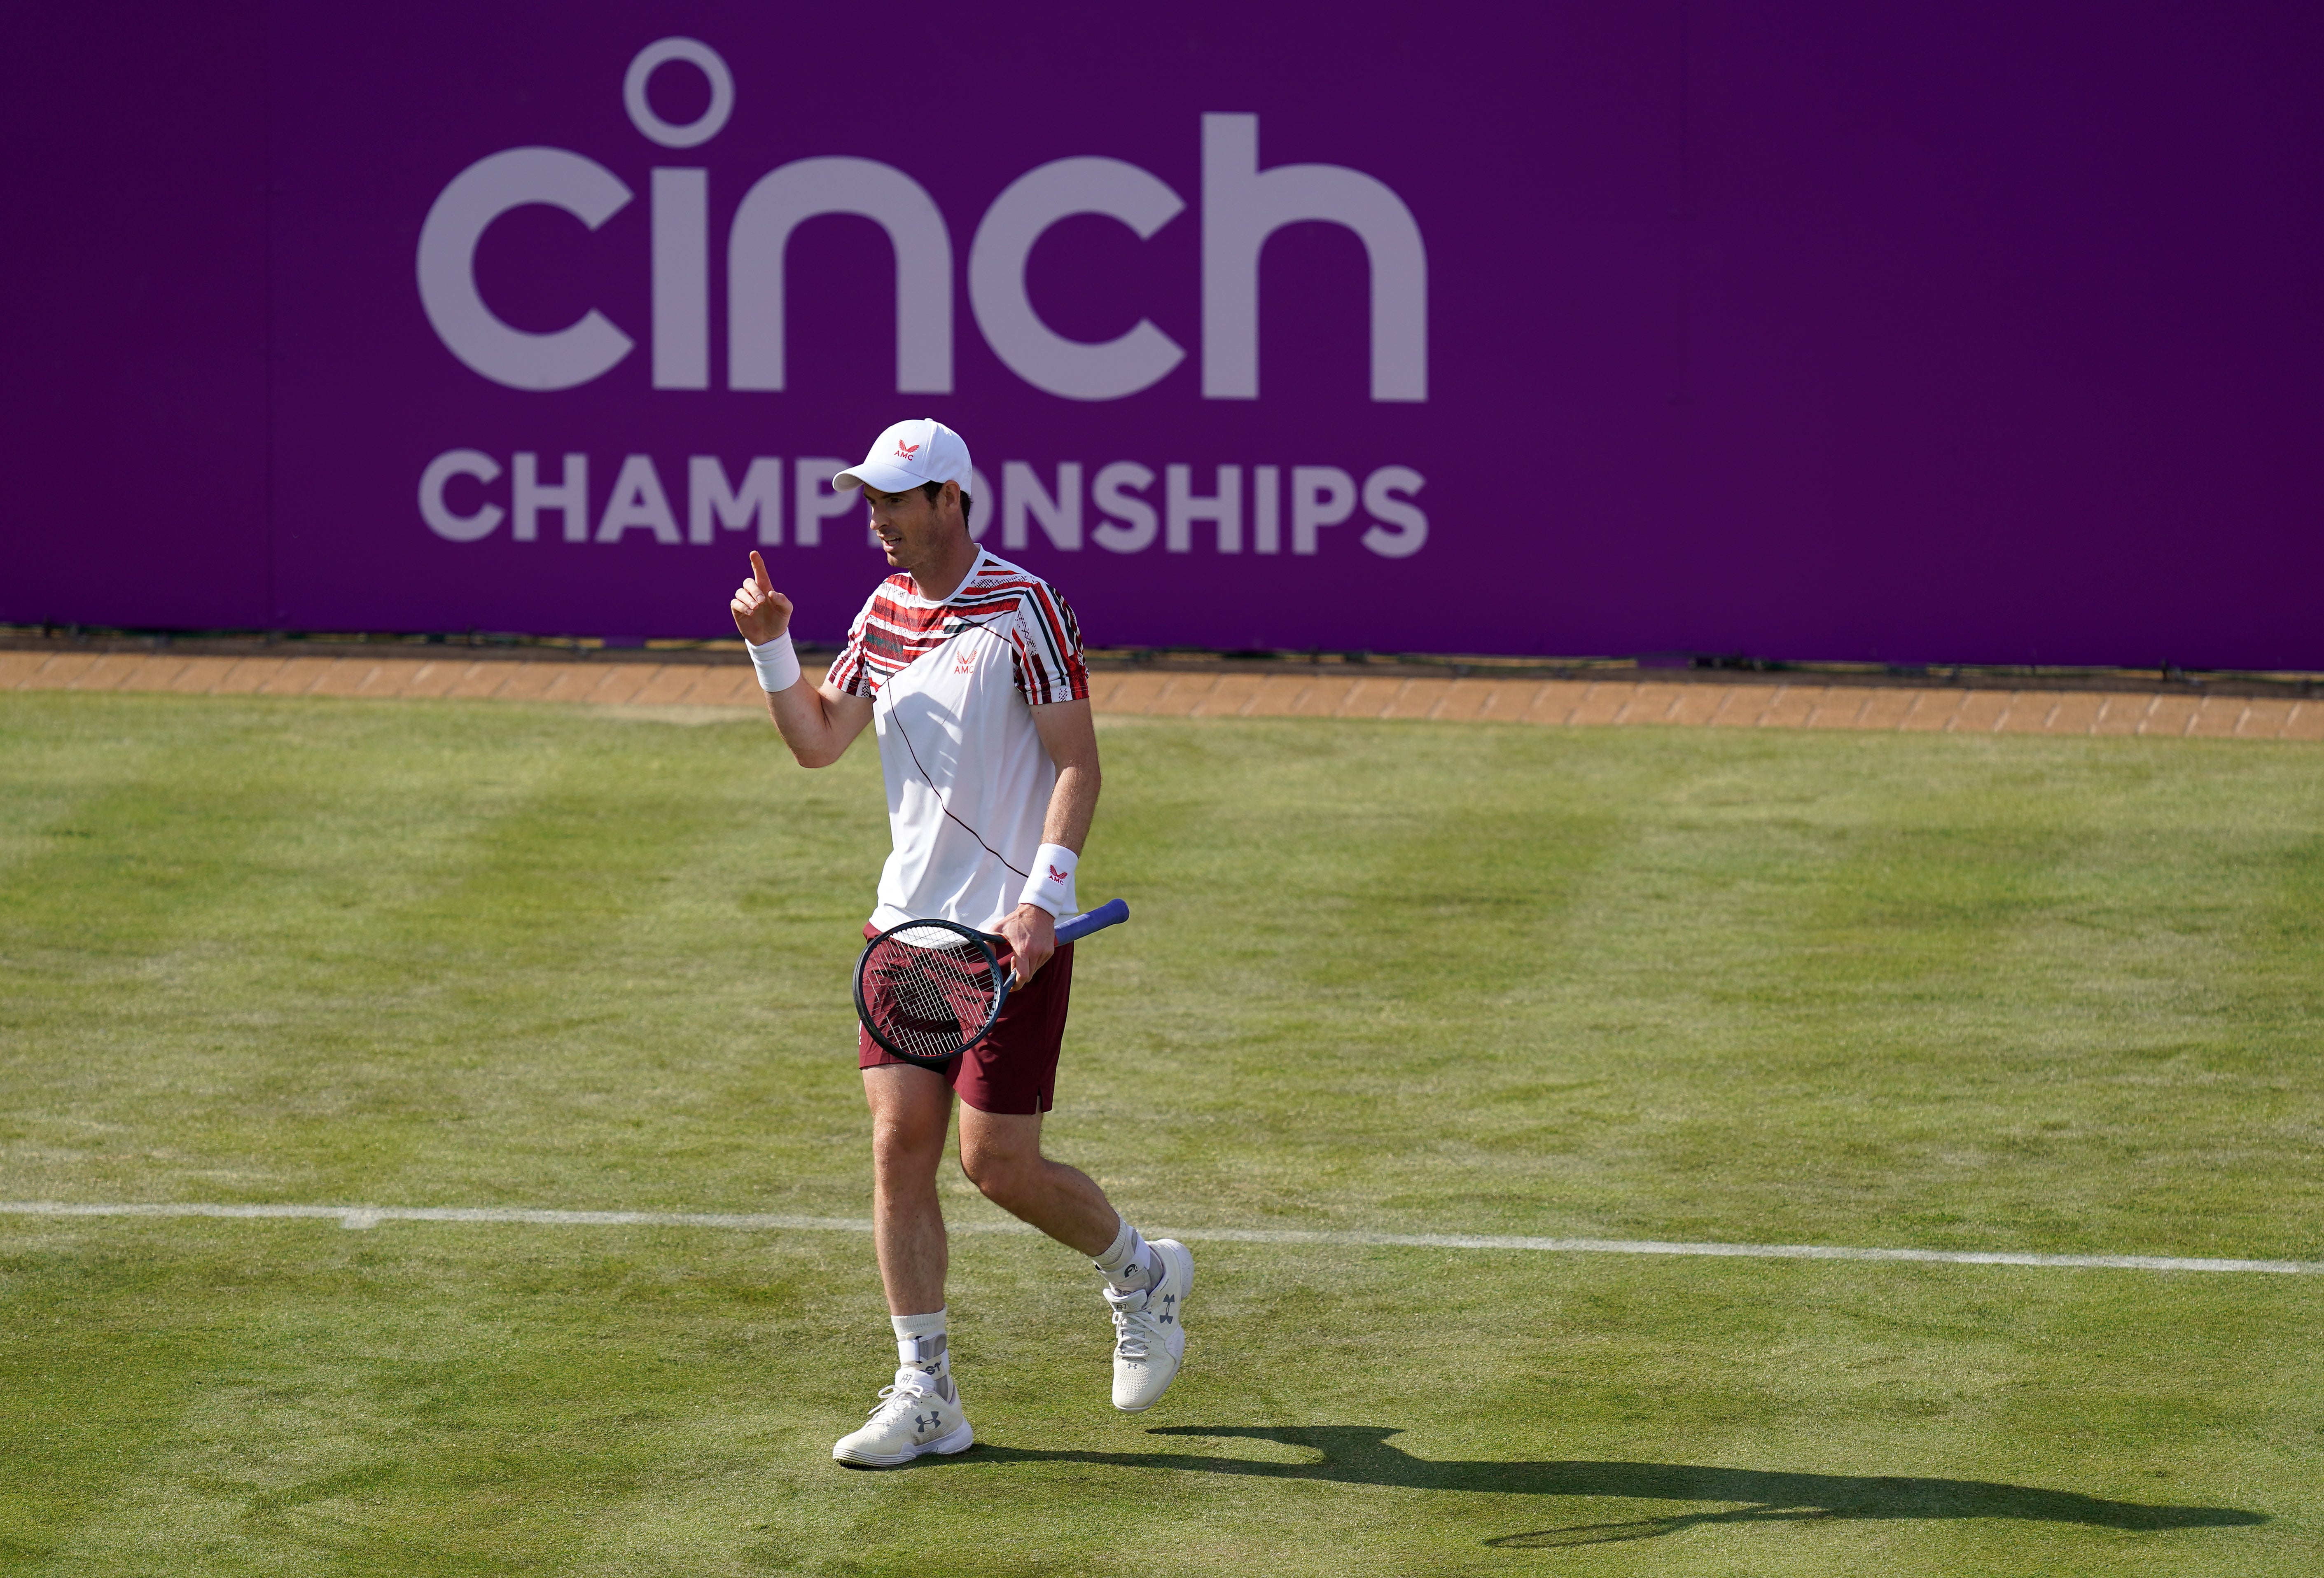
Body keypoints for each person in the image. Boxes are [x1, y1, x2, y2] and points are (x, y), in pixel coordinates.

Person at [727, 418, 1192, 1468]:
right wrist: (769, 643)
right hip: (904, 930)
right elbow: (815, 743)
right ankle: (926, 1392)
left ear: (949, 500)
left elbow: (1077, 764)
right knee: (898, 1152)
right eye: (870, 502)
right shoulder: (881, 613)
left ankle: (1139, 1273)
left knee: (997, 1164)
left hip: (1005, 935)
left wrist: (1042, 898)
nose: (877, 522)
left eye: (895, 501)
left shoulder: (1027, 608)